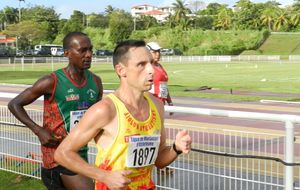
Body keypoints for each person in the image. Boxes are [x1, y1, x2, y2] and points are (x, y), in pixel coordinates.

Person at [54, 40, 192, 190]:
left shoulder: (157, 105)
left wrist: (176, 148)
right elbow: (62, 153)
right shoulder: (105, 110)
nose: (151, 70)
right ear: (121, 70)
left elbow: (159, 159)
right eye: (141, 64)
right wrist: (104, 176)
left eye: (151, 63)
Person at [8, 32, 103, 190]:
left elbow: (97, 119)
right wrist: (39, 131)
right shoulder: (51, 81)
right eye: (83, 50)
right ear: (67, 53)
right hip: (56, 156)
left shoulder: (95, 82)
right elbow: (15, 104)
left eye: (91, 50)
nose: (89, 55)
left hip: (81, 155)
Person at [146, 42, 173, 107]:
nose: (158, 54)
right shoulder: (146, 68)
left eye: (158, 51)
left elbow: (164, 86)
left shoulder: (159, 66)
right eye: (154, 52)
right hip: (150, 104)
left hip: (161, 103)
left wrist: (169, 102)